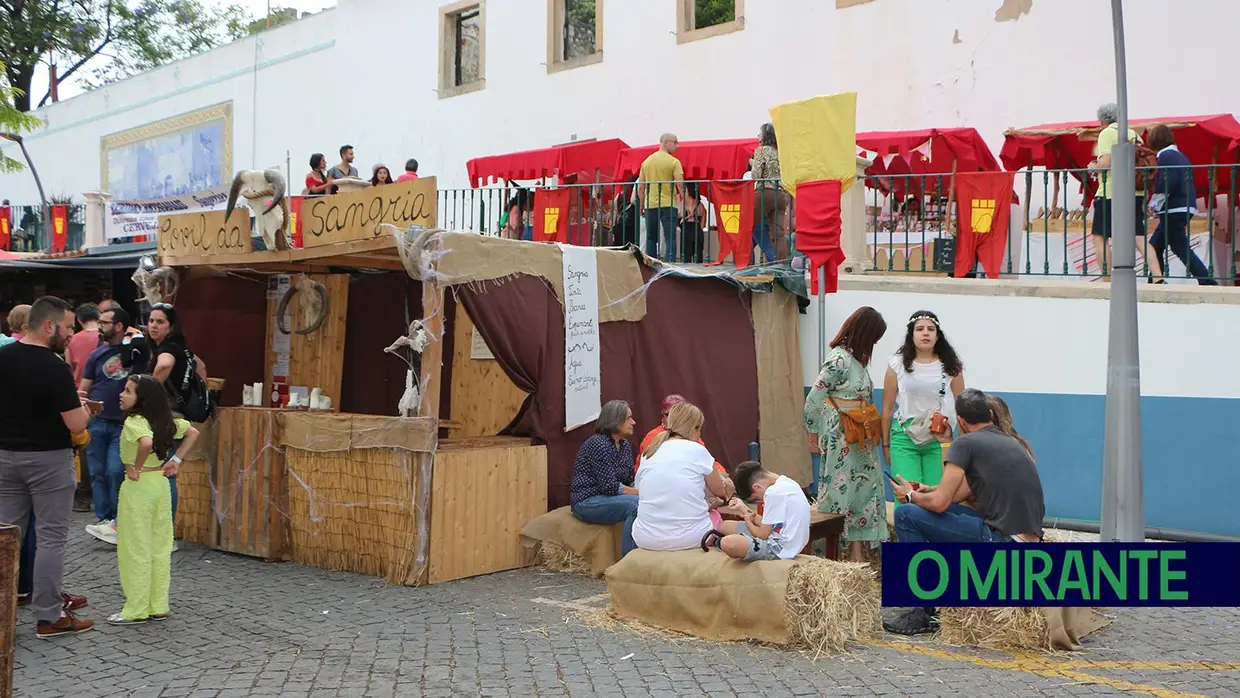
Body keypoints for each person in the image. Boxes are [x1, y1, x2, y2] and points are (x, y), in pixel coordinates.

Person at [885, 388, 1047, 636]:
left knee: (906, 515)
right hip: (1027, 543)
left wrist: (909, 496)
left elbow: (940, 503)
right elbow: (956, 494)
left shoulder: (967, 443)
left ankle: (923, 608)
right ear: (990, 415)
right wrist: (925, 490)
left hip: (1002, 542)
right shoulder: (1010, 442)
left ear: (960, 420)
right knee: (936, 511)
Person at [0, 296, 97, 637]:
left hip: (5, 457)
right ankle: (49, 615)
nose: (71, 334)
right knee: (51, 538)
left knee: (6, 537)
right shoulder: (54, 366)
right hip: (48, 459)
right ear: (49, 326)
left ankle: (2, 612)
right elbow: (74, 424)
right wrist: (85, 410)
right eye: (69, 327)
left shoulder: (3, 356)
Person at [109, 375, 199, 625]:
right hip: (160, 484)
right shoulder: (165, 420)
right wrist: (177, 460)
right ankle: (158, 604)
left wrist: (136, 466)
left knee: (135, 546)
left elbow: (145, 442)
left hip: (138, 486)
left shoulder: (134, 421)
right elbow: (192, 432)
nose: (122, 394)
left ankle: (136, 608)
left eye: (128, 391)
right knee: (160, 546)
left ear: (142, 398)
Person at [804, 306, 889, 562]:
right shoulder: (839, 359)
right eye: (874, 337)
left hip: (861, 439)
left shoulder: (857, 361)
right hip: (842, 437)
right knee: (841, 491)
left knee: (863, 492)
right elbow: (814, 398)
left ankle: (856, 554)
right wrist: (812, 432)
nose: (875, 343)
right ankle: (833, 554)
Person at [881, 310, 965, 497]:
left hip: (939, 437)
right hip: (904, 436)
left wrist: (963, 445)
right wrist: (885, 445)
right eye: (919, 329)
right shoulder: (897, 364)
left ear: (938, 335)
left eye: (930, 329)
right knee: (906, 494)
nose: (925, 333)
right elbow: (886, 409)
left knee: (936, 494)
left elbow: (962, 406)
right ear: (911, 335)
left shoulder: (951, 365)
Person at [630, 403, 733, 552]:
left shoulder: (650, 451)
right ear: (694, 430)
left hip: (645, 537)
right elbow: (719, 491)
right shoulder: (698, 450)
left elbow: (640, 488)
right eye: (699, 429)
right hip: (691, 538)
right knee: (715, 516)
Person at [145, 304, 207, 543]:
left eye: (159, 322)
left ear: (171, 327)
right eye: (151, 321)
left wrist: (144, 392)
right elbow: (201, 368)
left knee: (162, 473)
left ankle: (162, 535)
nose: (153, 326)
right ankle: (160, 533)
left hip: (168, 417)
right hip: (178, 415)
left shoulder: (169, 349)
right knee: (164, 472)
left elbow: (164, 365)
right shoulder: (184, 349)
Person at [81, 307, 136, 544]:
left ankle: (117, 519)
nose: (100, 327)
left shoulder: (134, 352)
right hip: (97, 420)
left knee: (115, 470)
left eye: (105, 323)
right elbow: (84, 386)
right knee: (96, 472)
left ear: (120, 326)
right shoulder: (97, 354)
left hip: (122, 423)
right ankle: (103, 518)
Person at [1146, 124, 1218, 285]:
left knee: (1179, 246)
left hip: (1173, 208)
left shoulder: (1165, 156)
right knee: (1155, 244)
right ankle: (1156, 281)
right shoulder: (1181, 157)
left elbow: (1166, 182)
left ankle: (1207, 281)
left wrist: (1153, 204)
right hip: (1184, 206)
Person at [568, 400, 639, 555]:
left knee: (646, 502)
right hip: (587, 501)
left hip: (608, 498)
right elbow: (610, 487)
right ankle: (629, 559)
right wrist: (640, 493)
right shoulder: (598, 445)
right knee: (636, 505)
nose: (633, 422)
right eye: (628, 418)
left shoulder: (624, 444)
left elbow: (628, 479)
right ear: (615, 420)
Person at [702, 461, 809, 561]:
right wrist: (745, 511)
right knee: (725, 525)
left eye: (756, 498)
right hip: (786, 540)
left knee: (728, 542)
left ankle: (718, 543)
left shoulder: (773, 493)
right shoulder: (787, 483)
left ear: (756, 487)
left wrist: (748, 522)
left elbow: (763, 534)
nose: (761, 500)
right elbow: (770, 524)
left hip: (778, 550)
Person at [1088, 102, 1148, 279]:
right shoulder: (1134, 134)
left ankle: (1108, 278)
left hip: (1110, 192)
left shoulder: (1107, 133)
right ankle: (1158, 273)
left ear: (1103, 120)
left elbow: (1106, 162)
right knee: (1136, 235)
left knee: (1100, 236)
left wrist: (1093, 167)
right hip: (1135, 192)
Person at [635, 133, 684, 260]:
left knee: (651, 238)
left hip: (651, 205)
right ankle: (669, 266)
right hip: (669, 204)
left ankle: (650, 266)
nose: (677, 146)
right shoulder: (674, 162)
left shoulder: (646, 162)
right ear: (665, 143)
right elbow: (680, 185)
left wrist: (641, 205)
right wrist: (686, 204)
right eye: (675, 142)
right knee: (670, 238)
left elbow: (641, 187)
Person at [751, 122, 794, 263]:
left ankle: (744, 262)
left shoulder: (761, 150)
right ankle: (782, 267)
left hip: (765, 193)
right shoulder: (780, 153)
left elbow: (756, 175)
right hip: (782, 195)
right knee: (779, 235)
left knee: (747, 226)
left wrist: (752, 163)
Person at [65, 303, 101, 385]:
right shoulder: (107, 337)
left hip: (79, 388)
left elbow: (69, 368)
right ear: (99, 316)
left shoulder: (71, 339)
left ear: (79, 320)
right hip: (100, 386)